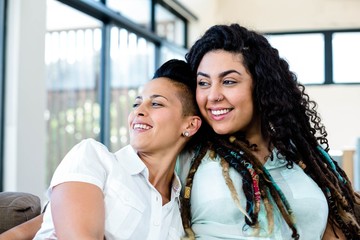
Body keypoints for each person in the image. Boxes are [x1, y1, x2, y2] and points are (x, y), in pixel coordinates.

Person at [178, 23, 360, 240]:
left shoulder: (305, 158)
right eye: (203, 83)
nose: (213, 95)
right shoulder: (187, 157)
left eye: (228, 81)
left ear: (260, 86)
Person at [30, 59, 202, 240]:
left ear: (190, 125)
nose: (139, 111)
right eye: (136, 104)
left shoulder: (177, 216)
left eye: (156, 103)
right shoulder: (93, 157)